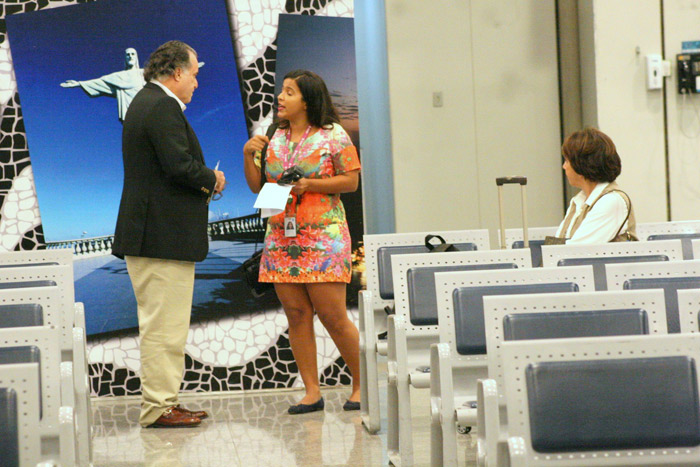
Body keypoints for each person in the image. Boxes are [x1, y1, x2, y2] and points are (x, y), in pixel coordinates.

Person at [111, 40, 226, 428]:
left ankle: (163, 402)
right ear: (176, 72)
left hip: (154, 234)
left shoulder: (146, 102)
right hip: (159, 236)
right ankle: (159, 407)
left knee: (163, 326)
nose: (196, 82)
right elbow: (178, 166)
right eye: (194, 74)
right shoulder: (160, 105)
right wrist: (212, 178)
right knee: (164, 329)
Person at [243, 70, 362, 414]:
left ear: (307, 101)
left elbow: (351, 182)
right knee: (296, 314)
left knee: (333, 316)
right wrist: (248, 154)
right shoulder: (273, 136)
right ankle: (312, 392)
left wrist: (311, 186)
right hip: (281, 237)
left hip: (324, 237)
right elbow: (258, 187)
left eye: (289, 92)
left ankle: (361, 385)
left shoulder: (333, 134)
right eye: (281, 91)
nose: (280, 97)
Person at [554, 127, 637, 243]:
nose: (564, 166)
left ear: (581, 165)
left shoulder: (611, 201)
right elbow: (557, 248)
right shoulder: (578, 201)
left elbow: (576, 250)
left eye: (567, 161)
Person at [61, 48, 146, 123]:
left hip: (143, 110)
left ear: (136, 57)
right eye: (128, 55)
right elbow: (100, 82)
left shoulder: (143, 73)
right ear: (125, 59)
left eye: (133, 54)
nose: (130, 56)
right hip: (128, 115)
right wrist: (79, 84)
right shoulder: (118, 77)